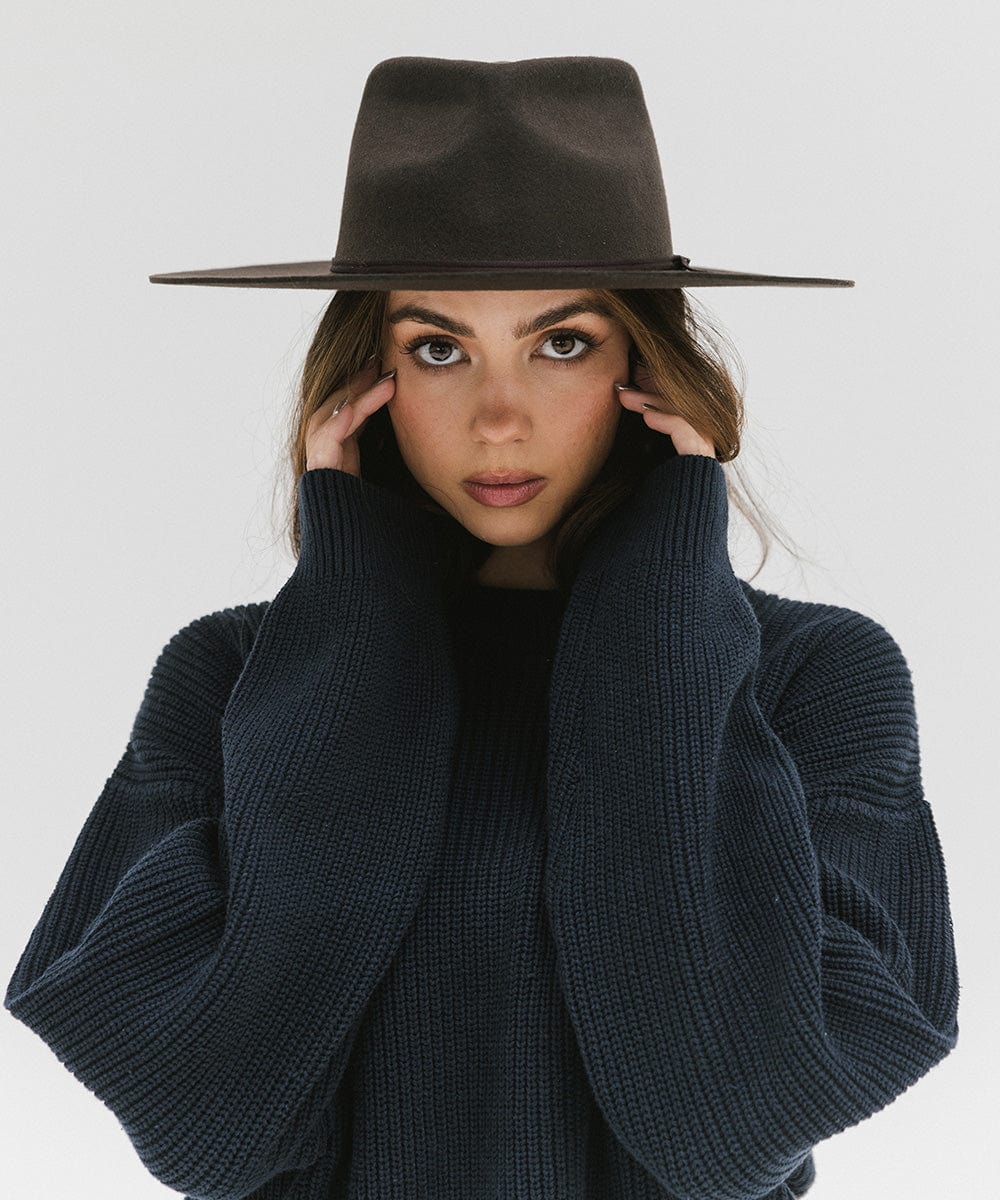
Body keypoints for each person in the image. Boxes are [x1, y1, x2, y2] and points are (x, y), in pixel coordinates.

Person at [4, 56, 960, 1200]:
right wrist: (354, 616)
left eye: (562, 343)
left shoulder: (811, 678)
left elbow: (729, 1130)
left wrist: (661, 599)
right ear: (367, 377)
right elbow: (210, 1129)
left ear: (646, 370)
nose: (497, 418)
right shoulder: (230, 675)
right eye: (437, 348)